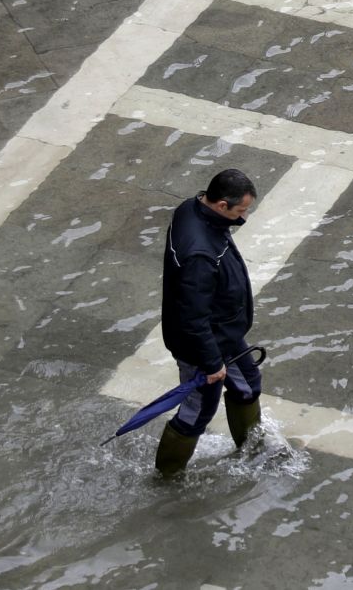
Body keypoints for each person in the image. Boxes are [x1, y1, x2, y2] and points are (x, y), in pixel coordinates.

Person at [155, 168, 262, 477]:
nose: (244, 216)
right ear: (221, 206)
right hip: (203, 346)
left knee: (247, 385)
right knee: (197, 410)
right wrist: (213, 363)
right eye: (241, 211)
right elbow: (193, 317)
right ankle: (167, 474)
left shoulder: (191, 208)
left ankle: (252, 450)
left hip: (223, 335)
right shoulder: (200, 256)